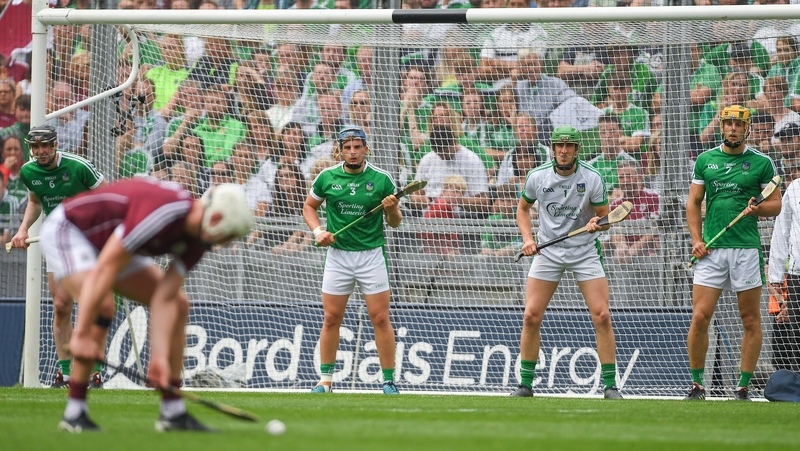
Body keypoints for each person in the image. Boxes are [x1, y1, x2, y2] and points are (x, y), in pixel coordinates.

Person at [46, 179, 252, 432]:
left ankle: (172, 412)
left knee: (179, 304)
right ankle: (74, 413)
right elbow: (105, 268)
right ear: (216, 219)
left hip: (113, 243)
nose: (225, 243)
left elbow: (164, 298)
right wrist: (81, 335)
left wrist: (159, 359)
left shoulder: (197, 241)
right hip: (72, 230)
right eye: (228, 236)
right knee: (103, 305)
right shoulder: (166, 211)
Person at [510, 125, 623, 399]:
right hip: (548, 251)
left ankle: (610, 386)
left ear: (577, 149)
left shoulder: (592, 177)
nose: (563, 151)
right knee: (531, 315)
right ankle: (525, 385)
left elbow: (606, 217)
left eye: (569, 145)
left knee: (602, 315)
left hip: (584, 251)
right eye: (559, 145)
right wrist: (528, 238)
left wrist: (598, 223)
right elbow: (523, 209)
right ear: (552, 148)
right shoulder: (537, 176)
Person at [685, 104, 781, 401]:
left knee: (750, 319)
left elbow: (775, 205)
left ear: (746, 129)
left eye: (738, 125)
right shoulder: (705, 160)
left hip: (746, 250)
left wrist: (757, 209)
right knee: (700, 317)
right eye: (728, 124)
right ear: (722, 127)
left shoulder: (762, 163)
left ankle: (742, 387)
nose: (733, 129)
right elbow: (693, 203)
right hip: (711, 250)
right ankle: (697, 385)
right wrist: (696, 240)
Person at [303, 126, 402, 395]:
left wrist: (392, 208)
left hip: (371, 256)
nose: (353, 152)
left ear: (366, 149)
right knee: (331, 317)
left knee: (380, 317)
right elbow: (309, 206)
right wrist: (319, 231)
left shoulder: (381, 179)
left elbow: (395, 223)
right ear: (339, 151)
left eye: (357, 147)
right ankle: (325, 381)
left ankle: (388, 381)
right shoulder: (327, 177)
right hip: (338, 256)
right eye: (347, 148)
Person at [9, 125, 108, 388]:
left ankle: (94, 371)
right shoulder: (28, 171)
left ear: (55, 145)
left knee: (90, 303)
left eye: (45, 145)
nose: (41, 151)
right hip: (57, 241)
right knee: (62, 305)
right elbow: (35, 201)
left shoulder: (78, 166)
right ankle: (65, 373)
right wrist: (22, 229)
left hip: (87, 240)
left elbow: (108, 197)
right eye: (36, 147)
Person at [768, 161, 800, 372]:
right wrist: (776, 277)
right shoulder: (795, 188)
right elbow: (781, 233)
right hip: (797, 275)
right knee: (797, 336)